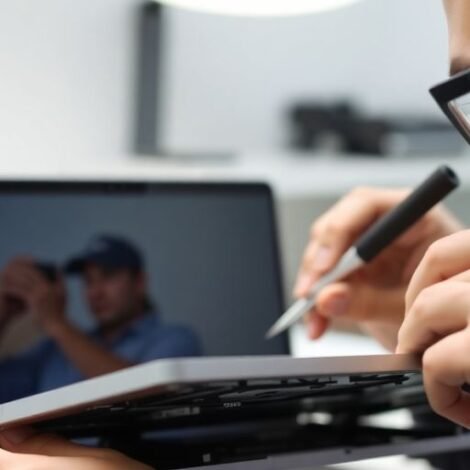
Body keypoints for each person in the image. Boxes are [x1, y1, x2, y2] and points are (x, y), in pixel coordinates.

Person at [0, 234, 202, 403]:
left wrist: (56, 322)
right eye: (88, 281)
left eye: (108, 276)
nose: (95, 292)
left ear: (140, 282)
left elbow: (144, 394)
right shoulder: (53, 350)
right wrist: (4, 317)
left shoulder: (176, 339)